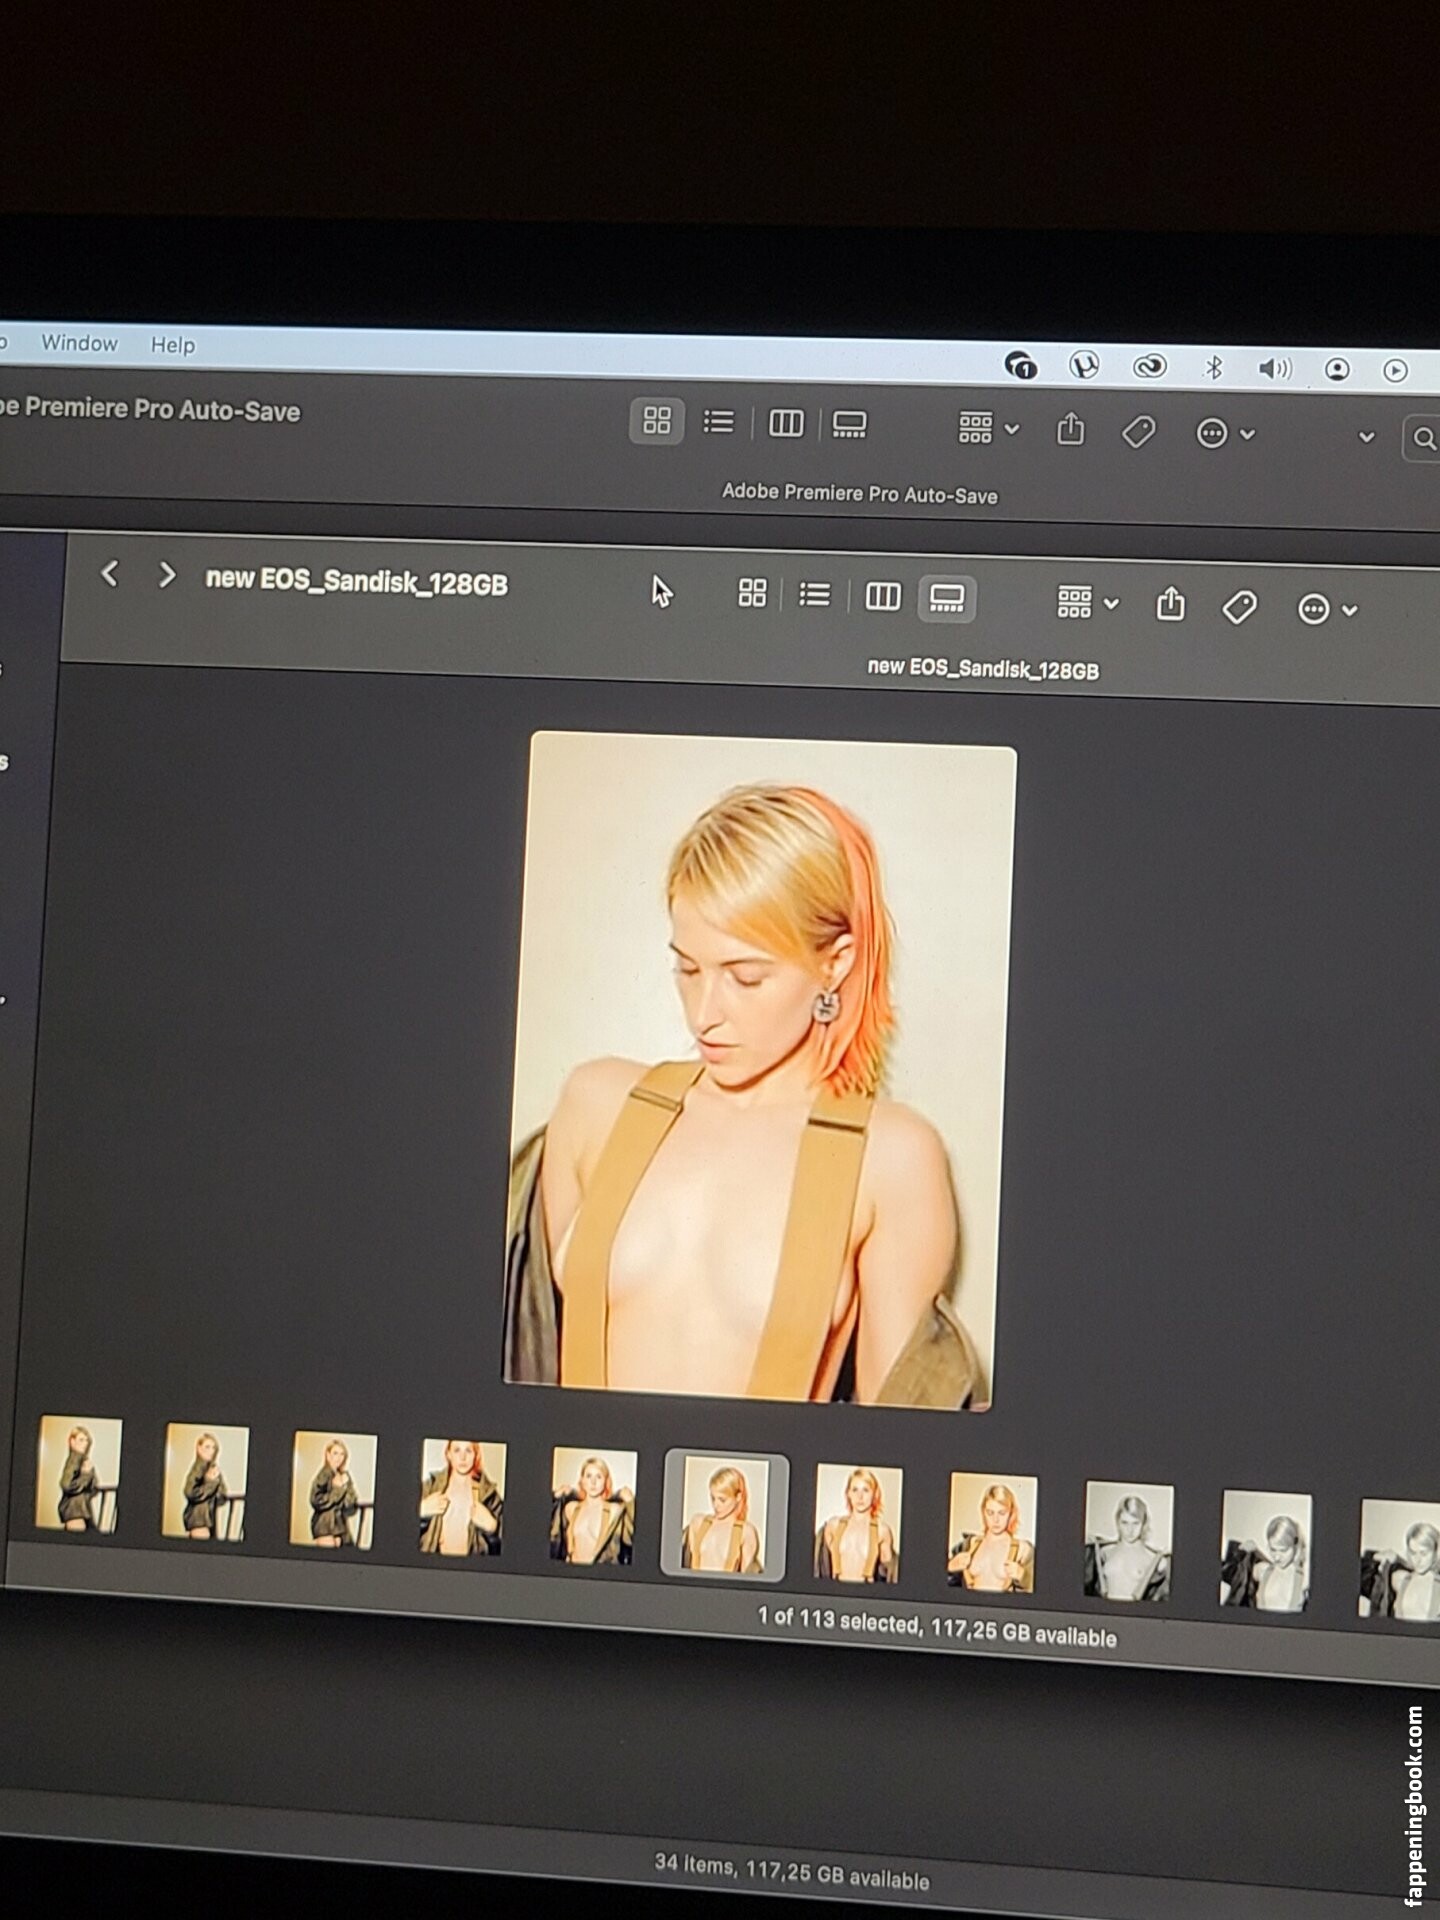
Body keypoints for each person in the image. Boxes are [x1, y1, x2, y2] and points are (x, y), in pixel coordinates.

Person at [504, 783, 982, 1407]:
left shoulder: (889, 1156)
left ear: (835, 962)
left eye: (746, 977)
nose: (704, 1014)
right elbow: (521, 1362)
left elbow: (896, 1441)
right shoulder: (596, 1104)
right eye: (687, 968)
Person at [417, 1440, 504, 1556]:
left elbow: (515, 1544)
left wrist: (494, 1527)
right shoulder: (430, 1487)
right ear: (448, 1454)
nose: (463, 1457)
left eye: (468, 1450)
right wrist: (421, 1510)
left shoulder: (488, 1494)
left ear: (476, 1454)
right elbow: (397, 1528)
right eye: (457, 1450)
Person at [814, 1467, 898, 1583]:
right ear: (848, 1493)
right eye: (855, 1490)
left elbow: (890, 1574)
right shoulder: (833, 1526)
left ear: (874, 1494)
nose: (860, 1496)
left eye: (866, 1490)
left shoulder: (882, 1531)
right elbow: (821, 1566)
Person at [947, 1482, 1034, 1592]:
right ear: (983, 1512)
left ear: (1011, 1513)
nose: (995, 1519)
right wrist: (950, 1567)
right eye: (990, 1513)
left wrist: (1023, 1576)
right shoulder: (969, 1544)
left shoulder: (1023, 1549)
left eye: (1002, 1513)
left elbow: (1044, 1590)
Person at [1084, 1494, 1171, 1602]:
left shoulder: (1155, 1558)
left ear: (1144, 1523)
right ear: (1118, 1522)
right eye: (1125, 1523)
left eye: (1135, 1523)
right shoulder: (1104, 1552)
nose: (1130, 1530)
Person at [550, 1456, 635, 1565]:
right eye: (588, 1476)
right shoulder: (571, 1508)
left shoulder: (614, 1510)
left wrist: (630, 1502)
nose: (593, 1482)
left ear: (606, 1481)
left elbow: (632, 1538)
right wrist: (556, 1496)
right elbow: (551, 1535)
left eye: (599, 1477)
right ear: (582, 1480)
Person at [681, 1466, 762, 1574]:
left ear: (738, 1497)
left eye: (722, 1500)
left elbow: (748, 1579)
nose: (716, 1505)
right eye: (713, 1498)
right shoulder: (698, 1522)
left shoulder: (746, 1532)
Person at [1220, 1514, 1308, 1612]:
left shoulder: (1304, 1580)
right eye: (1273, 1550)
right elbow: (1232, 1572)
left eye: (1283, 1550)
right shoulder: (1262, 1570)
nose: (1277, 1557)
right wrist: (1250, 1551)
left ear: (1295, 1546)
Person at [309, 1439, 360, 1548]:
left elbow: (349, 1504)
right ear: (328, 1455)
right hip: (324, 1525)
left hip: (340, 1526)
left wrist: (346, 1486)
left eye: (342, 1454)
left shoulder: (344, 1475)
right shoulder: (324, 1473)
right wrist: (338, 1489)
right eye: (335, 1453)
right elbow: (316, 1500)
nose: (339, 1457)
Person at [182, 1433, 229, 1540]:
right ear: (199, 1448)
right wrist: (210, 1482)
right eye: (207, 1447)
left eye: (213, 1447)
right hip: (198, 1519)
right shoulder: (198, 1467)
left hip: (208, 1519)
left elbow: (222, 1498)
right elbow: (189, 1492)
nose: (211, 1451)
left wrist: (216, 1485)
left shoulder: (213, 1468)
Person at [1390, 1524, 1440, 1622]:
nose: (1418, 1560)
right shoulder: (1401, 1580)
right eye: (1413, 1553)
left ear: (1435, 1552)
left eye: (1423, 1553)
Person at [57, 1426, 98, 1531]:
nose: (85, 1443)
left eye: (86, 1440)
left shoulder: (82, 1459)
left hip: (80, 1509)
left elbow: (92, 1488)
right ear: (72, 1441)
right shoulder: (75, 1458)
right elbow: (65, 1484)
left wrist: (88, 1476)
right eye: (81, 1440)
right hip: (74, 1510)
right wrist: (86, 1475)